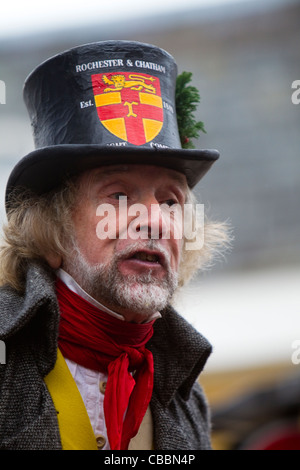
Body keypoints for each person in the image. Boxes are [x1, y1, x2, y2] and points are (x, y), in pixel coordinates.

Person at [0, 40, 229, 450]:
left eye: (170, 202)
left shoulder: (186, 395)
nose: (154, 220)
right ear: (53, 229)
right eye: (118, 196)